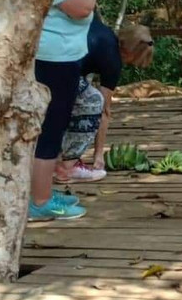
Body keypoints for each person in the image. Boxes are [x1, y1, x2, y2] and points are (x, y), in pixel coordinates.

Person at [5, 0, 111, 221]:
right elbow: (83, 7)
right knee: (51, 128)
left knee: (39, 126)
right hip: (54, 59)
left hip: (34, 54)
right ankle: (41, 201)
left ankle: (40, 192)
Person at [57, 19, 154, 182]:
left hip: (45, 59)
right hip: (61, 70)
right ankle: (69, 165)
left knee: (75, 100)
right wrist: (99, 155)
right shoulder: (113, 60)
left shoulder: (101, 30)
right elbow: (104, 110)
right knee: (93, 101)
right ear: (130, 53)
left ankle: (54, 156)